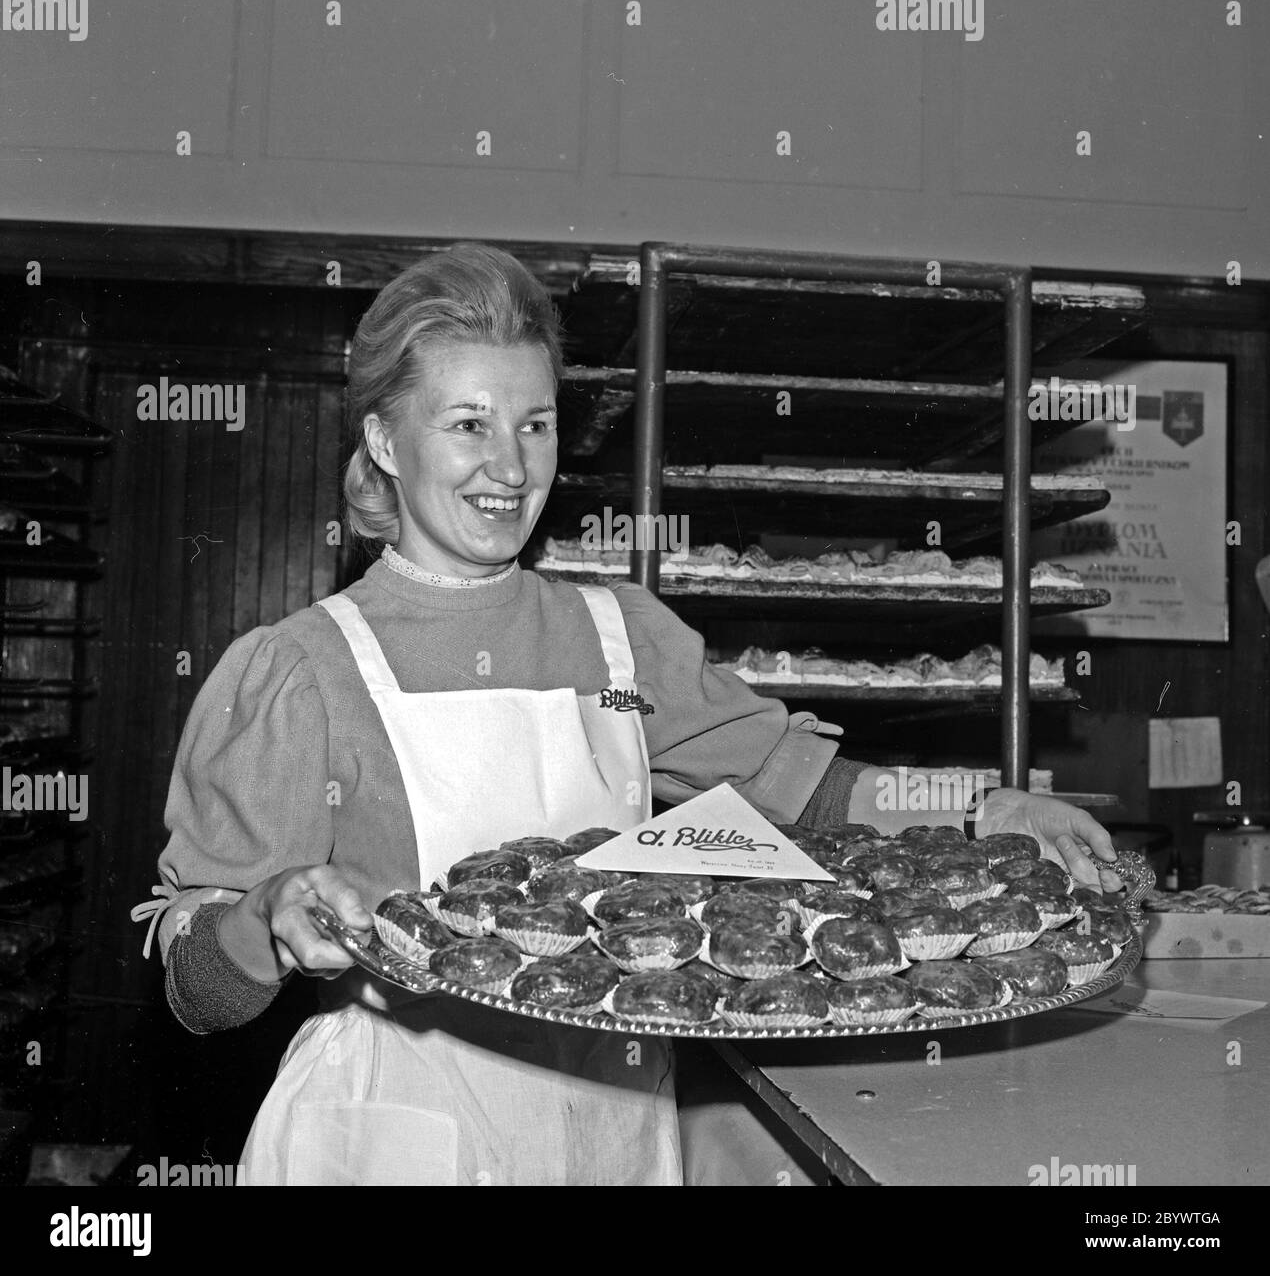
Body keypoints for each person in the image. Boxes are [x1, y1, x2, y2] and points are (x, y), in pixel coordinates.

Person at [133, 242, 1123, 1186]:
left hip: (612, 1122)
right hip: (397, 1130)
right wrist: (261, 922)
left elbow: (808, 787)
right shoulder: (298, 672)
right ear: (385, 439)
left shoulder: (616, 638)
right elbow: (194, 992)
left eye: (536, 422)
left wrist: (982, 810)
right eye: (468, 423)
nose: (511, 467)